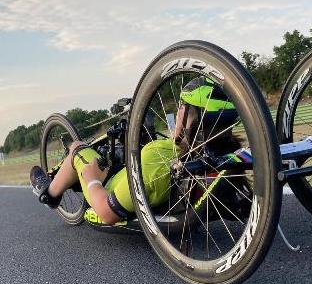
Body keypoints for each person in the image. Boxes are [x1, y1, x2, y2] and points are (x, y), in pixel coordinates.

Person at [29, 77, 240, 225]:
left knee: (77, 149)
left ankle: (50, 193)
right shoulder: (229, 158)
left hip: (109, 186)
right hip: (148, 179)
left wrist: (92, 179)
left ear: (187, 118)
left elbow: (106, 213)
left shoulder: (157, 159)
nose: (178, 112)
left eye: (182, 107)